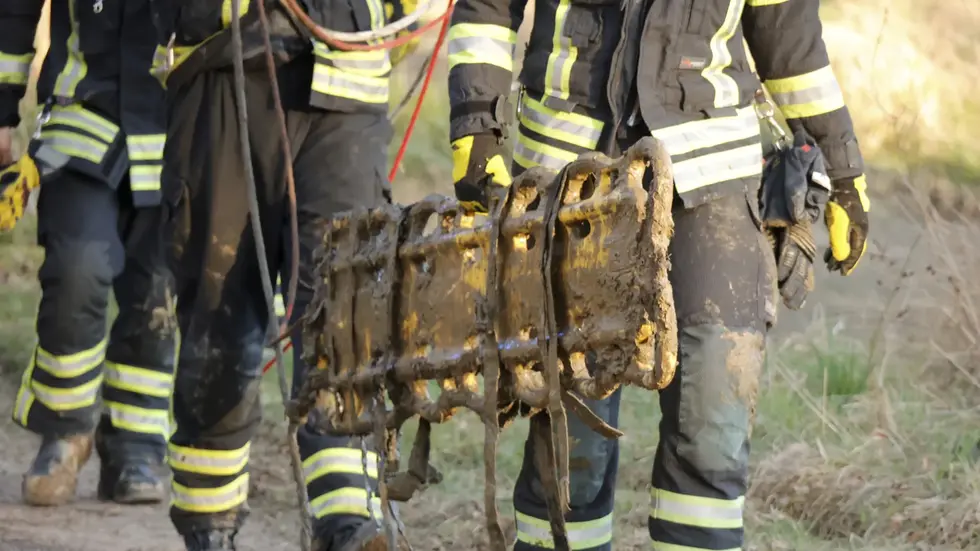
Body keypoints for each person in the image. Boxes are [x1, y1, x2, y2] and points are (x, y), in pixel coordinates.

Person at [447, 0, 870, 549]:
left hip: (712, 170)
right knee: (574, 442)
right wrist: (476, 129)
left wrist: (841, 168)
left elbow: (786, 32)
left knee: (713, 422)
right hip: (571, 178)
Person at [147, 0, 416, 549]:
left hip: (346, 84)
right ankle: (209, 526)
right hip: (222, 69)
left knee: (344, 319)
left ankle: (348, 524)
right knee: (218, 321)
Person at [0, 0, 177, 507]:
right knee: (77, 267)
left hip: (176, 130)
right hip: (81, 115)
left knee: (155, 294)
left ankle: (137, 446)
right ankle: (66, 431)